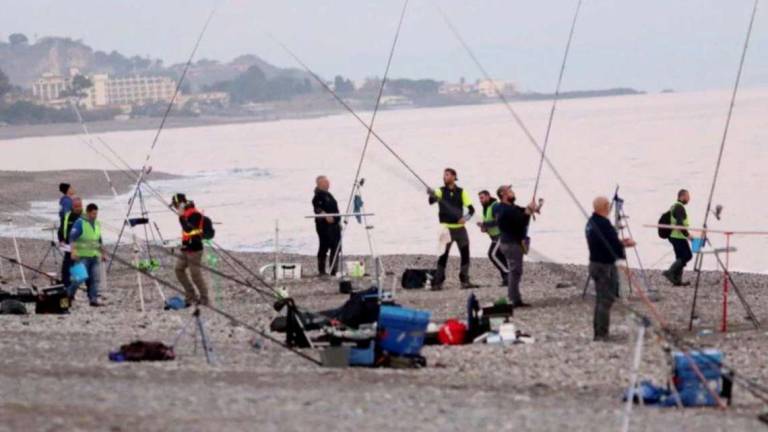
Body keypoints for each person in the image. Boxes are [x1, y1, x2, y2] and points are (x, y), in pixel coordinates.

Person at [586, 196, 636, 341]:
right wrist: (624, 249)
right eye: (608, 206)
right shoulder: (603, 223)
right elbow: (612, 245)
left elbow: (607, 241)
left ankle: (599, 331)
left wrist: (621, 242)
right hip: (604, 266)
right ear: (605, 207)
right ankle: (601, 334)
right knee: (606, 299)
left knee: (601, 298)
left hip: (595, 263)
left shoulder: (591, 222)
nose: (609, 209)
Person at [428, 168, 477, 290]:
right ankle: (438, 281)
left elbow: (471, 210)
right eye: (444, 175)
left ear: (454, 177)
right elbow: (431, 201)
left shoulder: (462, 192)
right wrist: (431, 194)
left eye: (447, 175)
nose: (444, 177)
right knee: (443, 255)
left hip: (461, 229)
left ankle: (464, 280)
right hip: (446, 229)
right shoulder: (439, 190)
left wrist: (465, 218)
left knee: (465, 254)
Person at [494, 185, 539, 306]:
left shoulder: (504, 207)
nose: (513, 192)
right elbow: (522, 221)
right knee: (515, 272)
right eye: (510, 191)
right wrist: (528, 213)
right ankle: (514, 300)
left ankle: (514, 297)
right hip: (512, 244)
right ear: (503, 194)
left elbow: (521, 211)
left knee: (515, 271)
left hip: (508, 242)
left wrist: (531, 208)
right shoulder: (507, 210)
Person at [172, 193, 210, 306]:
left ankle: (204, 298)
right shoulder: (186, 213)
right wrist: (182, 215)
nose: (174, 208)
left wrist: (180, 216)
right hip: (186, 248)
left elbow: (188, 229)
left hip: (195, 249)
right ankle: (191, 295)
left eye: (175, 205)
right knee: (178, 269)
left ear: (181, 204)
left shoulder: (195, 214)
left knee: (195, 275)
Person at [67, 203, 106, 306]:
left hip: (94, 255)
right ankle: (69, 295)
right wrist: (73, 251)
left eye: (96, 213)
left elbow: (99, 239)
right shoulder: (80, 223)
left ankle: (93, 299)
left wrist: (103, 253)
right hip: (82, 256)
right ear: (88, 212)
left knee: (95, 278)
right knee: (79, 278)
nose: (95, 216)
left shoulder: (97, 223)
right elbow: (72, 237)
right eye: (93, 214)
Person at [312, 176, 342, 277]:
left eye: (328, 182)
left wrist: (338, 221)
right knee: (324, 246)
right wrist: (325, 214)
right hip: (324, 226)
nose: (328, 184)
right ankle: (321, 271)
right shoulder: (318, 196)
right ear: (320, 184)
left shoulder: (329, 194)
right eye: (326, 183)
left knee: (336, 247)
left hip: (335, 225)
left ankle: (334, 270)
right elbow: (317, 208)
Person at [477, 190, 508, 286]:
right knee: (500, 256)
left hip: (502, 235)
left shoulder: (495, 206)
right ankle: (507, 279)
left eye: (482, 198)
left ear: (488, 196)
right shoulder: (486, 208)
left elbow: (499, 221)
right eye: (479, 199)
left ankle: (508, 274)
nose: (480, 200)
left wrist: (485, 224)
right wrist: (484, 228)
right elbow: (490, 223)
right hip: (494, 237)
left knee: (492, 254)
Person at [663, 189, 693, 286]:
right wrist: (687, 235)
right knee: (687, 255)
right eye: (688, 196)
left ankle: (677, 280)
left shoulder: (674, 206)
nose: (689, 199)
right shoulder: (679, 208)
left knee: (680, 257)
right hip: (678, 237)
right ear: (682, 196)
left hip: (674, 236)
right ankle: (670, 272)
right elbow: (680, 225)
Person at [58, 197, 83, 287]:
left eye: (79, 206)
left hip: (81, 245)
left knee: (79, 263)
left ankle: (78, 282)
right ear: (72, 206)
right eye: (76, 206)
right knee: (67, 263)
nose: (78, 208)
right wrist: (61, 240)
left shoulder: (84, 216)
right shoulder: (67, 217)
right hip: (68, 245)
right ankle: (65, 283)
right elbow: (60, 230)